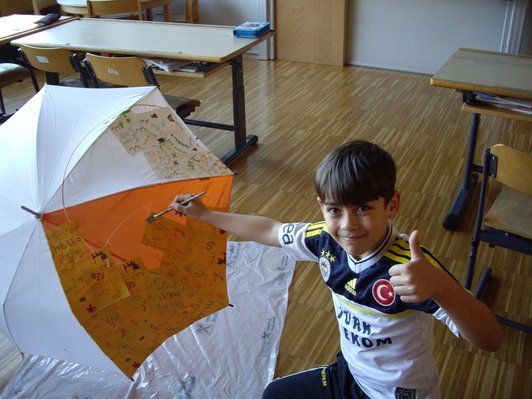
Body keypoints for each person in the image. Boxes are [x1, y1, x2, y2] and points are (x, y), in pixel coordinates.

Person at [170, 140, 503, 399]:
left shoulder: (413, 269)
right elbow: (271, 230)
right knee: (274, 394)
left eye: (363, 208)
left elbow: (490, 339)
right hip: (350, 374)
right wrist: (206, 215)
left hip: (397, 392)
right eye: (334, 210)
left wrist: (444, 288)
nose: (348, 225)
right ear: (322, 207)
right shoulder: (323, 239)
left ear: (393, 205)